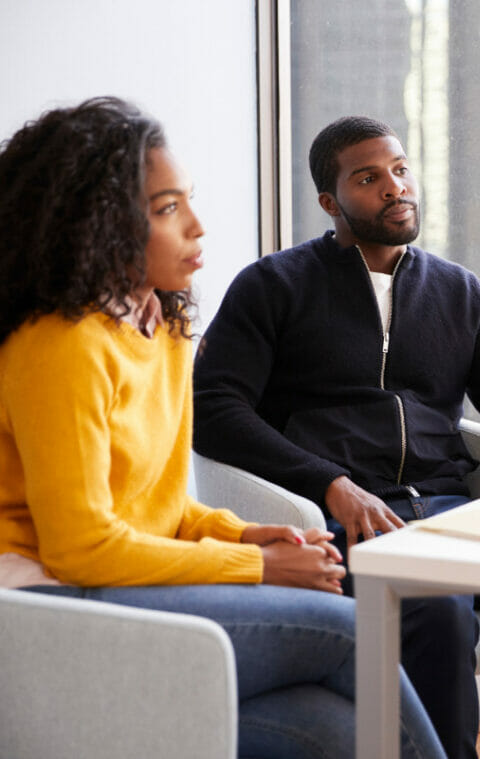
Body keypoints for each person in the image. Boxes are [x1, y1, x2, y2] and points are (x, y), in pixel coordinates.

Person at [193, 115, 480, 758]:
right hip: (340, 525)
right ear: (330, 203)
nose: (395, 187)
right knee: (442, 608)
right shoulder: (274, 287)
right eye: (369, 178)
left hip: (453, 515)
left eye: (400, 169)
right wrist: (330, 485)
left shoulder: (458, 292)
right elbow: (213, 408)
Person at [0, 97, 444, 759]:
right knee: (351, 632)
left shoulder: (162, 327)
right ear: (95, 223)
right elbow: (80, 546)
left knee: (333, 728)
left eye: (188, 200)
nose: (198, 227)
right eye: (167, 209)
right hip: (46, 606)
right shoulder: (61, 343)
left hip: (116, 587)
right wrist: (258, 564)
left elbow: (157, 506)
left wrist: (241, 529)